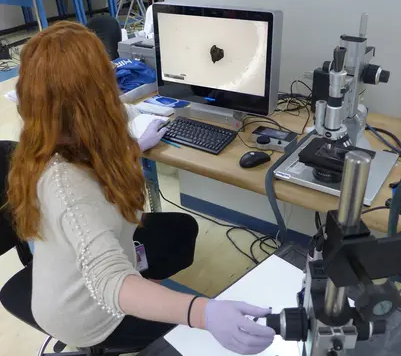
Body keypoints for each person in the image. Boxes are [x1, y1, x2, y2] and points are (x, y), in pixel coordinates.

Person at [6, 21, 275, 355]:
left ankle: (148, 287)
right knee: (189, 333)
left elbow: (125, 112)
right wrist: (203, 312)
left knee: (180, 229)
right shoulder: (65, 186)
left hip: (92, 262)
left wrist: (136, 145)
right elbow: (111, 281)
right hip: (87, 313)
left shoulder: (64, 129)